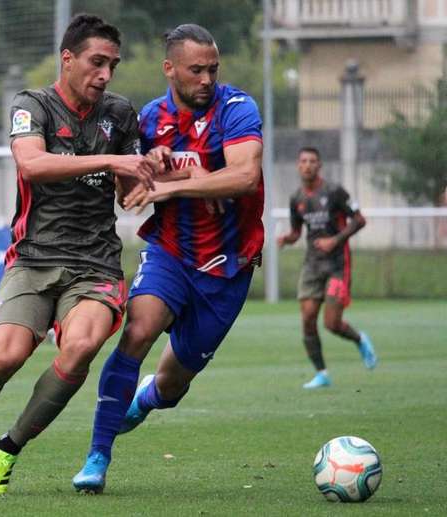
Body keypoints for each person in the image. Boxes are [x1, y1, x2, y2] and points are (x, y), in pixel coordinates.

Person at [0, 14, 160, 497]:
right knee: (5, 357)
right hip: (33, 258)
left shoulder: (121, 114)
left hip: (95, 263)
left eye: (113, 65)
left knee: (82, 346)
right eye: (96, 62)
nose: (105, 74)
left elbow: (129, 192)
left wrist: (148, 175)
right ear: (68, 59)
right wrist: (110, 161)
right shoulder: (33, 105)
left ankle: (7, 449)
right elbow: (32, 163)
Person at [72, 23, 266, 494]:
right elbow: (133, 192)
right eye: (196, 70)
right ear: (170, 69)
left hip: (228, 266)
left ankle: (145, 402)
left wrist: (180, 179)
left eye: (213, 69)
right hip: (171, 253)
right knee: (137, 331)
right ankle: (97, 456)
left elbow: (243, 176)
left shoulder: (237, 108)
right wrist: (154, 168)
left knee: (173, 384)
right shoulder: (149, 122)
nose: (207, 79)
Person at [277, 147, 377, 389]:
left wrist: (335, 240)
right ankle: (322, 374)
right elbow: (296, 231)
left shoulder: (334, 192)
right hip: (312, 265)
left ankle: (360, 339)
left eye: (312, 161)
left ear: (319, 165)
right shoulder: (296, 199)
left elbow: (359, 219)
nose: (308, 165)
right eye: (303, 161)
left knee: (331, 323)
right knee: (308, 320)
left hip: (337, 264)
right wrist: (287, 239)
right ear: (298, 166)